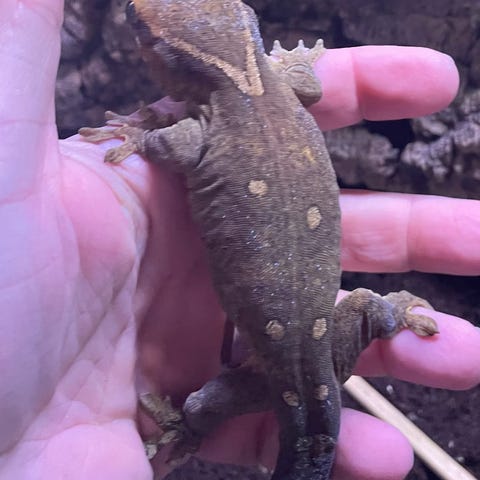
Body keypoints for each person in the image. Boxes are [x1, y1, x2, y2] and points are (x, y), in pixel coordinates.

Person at [1, 2, 479, 479]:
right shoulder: (287, 85)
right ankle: (387, 315)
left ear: (165, 56)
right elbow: (309, 86)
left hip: (282, 367)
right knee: (350, 330)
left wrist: (140, 134)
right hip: (316, 343)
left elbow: (170, 147)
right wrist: (292, 64)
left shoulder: (204, 127)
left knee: (202, 409)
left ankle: (188, 431)